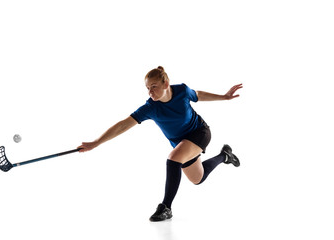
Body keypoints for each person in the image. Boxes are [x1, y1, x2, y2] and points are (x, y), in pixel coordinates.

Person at [78, 66, 242, 222]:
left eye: (154, 86)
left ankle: (166, 207)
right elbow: (123, 124)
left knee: (173, 159)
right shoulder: (150, 108)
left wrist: (224, 96)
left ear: (165, 84)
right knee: (198, 178)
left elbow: (198, 95)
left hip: (200, 133)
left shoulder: (182, 92)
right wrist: (95, 143)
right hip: (181, 143)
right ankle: (224, 155)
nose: (150, 92)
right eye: (148, 88)